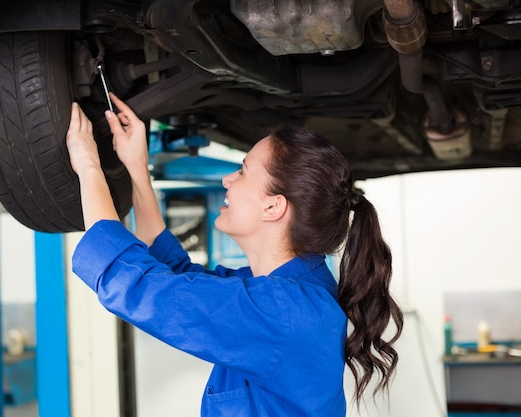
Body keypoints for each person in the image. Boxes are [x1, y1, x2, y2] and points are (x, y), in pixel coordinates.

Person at [66, 94, 403, 417]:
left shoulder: (281, 311)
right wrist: (137, 166)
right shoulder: (292, 288)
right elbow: (177, 273)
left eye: (242, 171)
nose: (228, 179)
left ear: (273, 206)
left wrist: (88, 165)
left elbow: (134, 285)